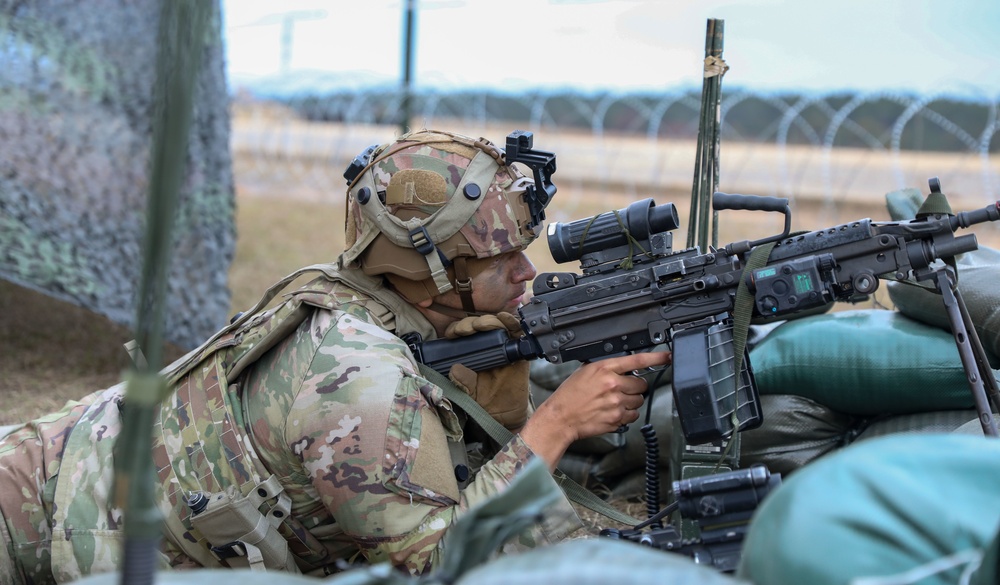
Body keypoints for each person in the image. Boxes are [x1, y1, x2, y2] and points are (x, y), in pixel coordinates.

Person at [0, 129, 671, 582]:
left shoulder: (360, 296)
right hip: (50, 513)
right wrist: (553, 426)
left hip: (67, 456)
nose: (526, 271)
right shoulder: (357, 376)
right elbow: (434, 564)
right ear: (433, 271)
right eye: (499, 259)